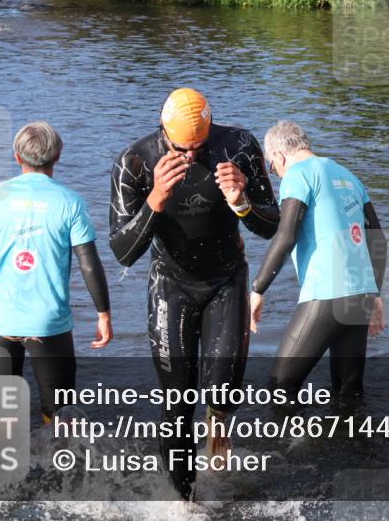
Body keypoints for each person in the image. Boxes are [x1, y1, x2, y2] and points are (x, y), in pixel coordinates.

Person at [109, 88, 278, 498]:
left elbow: (272, 225)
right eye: (182, 148)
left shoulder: (238, 146)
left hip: (226, 279)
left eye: (199, 147)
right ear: (164, 132)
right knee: (177, 403)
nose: (191, 155)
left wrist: (241, 203)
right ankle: (185, 503)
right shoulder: (134, 162)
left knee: (222, 393)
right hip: (171, 284)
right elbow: (122, 252)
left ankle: (218, 435)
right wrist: (154, 202)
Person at [0, 122, 113, 423]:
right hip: (49, 323)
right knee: (60, 416)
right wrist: (103, 315)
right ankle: (60, 466)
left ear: (17, 157)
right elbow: (89, 263)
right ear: (58, 156)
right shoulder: (70, 201)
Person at [249, 121, 387, 398]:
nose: (276, 174)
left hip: (326, 293)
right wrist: (374, 294)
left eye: (273, 168)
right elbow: (378, 240)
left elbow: (285, 236)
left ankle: (287, 442)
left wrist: (258, 289)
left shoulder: (297, 175)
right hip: (360, 294)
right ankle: (353, 441)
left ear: (279, 155)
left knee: (280, 387)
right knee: (348, 393)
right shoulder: (348, 175)